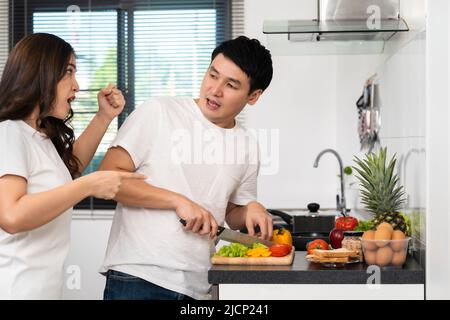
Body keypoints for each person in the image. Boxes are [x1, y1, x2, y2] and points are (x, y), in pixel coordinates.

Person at [99, 36, 274, 300]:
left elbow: (231, 212)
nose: (215, 90)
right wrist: (177, 201)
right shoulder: (159, 112)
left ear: (253, 96)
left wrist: (251, 209)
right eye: (213, 75)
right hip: (139, 278)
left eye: (231, 84)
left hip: (199, 284)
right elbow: (107, 178)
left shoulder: (247, 145)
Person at [0, 33, 145, 299]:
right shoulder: (9, 133)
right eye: (68, 72)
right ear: (40, 72)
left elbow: (70, 169)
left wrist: (104, 117)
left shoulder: (39, 136)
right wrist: (88, 185)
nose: (76, 86)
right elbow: (11, 216)